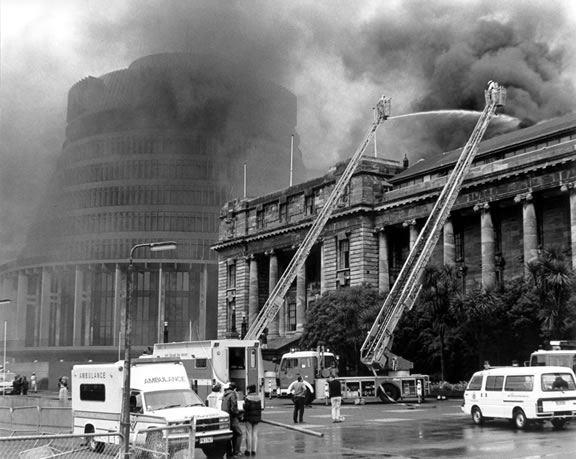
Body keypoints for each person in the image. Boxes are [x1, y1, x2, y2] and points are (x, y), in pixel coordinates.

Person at [221, 382, 243, 458]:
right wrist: (238, 414)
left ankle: (229, 453)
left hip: (226, 417)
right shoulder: (233, 394)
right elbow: (233, 407)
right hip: (232, 417)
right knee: (239, 433)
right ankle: (236, 452)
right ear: (235, 388)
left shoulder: (225, 394)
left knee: (229, 435)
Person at [243, 384, 262, 456]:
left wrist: (243, 405)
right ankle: (254, 450)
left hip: (249, 417)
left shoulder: (248, 398)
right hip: (256, 417)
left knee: (248, 433)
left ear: (249, 390)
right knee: (255, 434)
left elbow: (246, 407)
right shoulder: (259, 397)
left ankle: (248, 450)